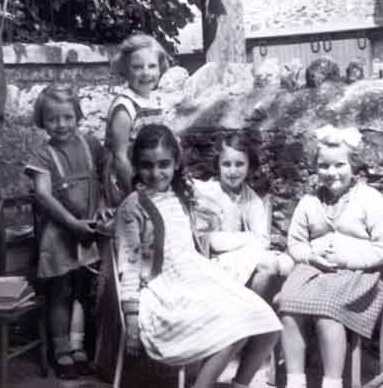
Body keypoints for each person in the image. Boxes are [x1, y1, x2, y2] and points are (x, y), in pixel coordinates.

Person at [111, 124, 282, 388]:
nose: (156, 173)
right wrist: (131, 321)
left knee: (267, 323)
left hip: (196, 278)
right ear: (136, 165)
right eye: (146, 165)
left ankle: (240, 383)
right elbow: (130, 267)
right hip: (162, 291)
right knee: (231, 328)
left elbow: (204, 217)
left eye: (164, 164)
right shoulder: (133, 207)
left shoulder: (181, 196)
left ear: (176, 163)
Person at [278, 125, 383, 388]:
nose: (331, 173)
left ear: (354, 166)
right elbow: (295, 243)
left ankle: (332, 382)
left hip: (360, 274)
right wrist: (310, 256)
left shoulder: (370, 199)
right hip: (315, 270)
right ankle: (296, 381)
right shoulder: (309, 202)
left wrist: (348, 259)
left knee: (327, 309)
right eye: (324, 166)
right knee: (287, 303)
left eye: (339, 165)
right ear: (316, 167)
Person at [25, 84, 109, 379]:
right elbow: (44, 195)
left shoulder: (90, 144)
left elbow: (101, 180)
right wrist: (72, 224)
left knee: (83, 289)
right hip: (60, 233)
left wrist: (99, 209)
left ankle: (78, 346)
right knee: (60, 291)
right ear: (42, 121)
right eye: (53, 119)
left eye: (68, 117)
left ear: (77, 116)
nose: (61, 125)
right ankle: (61, 350)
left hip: (88, 228)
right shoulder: (42, 153)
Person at [194, 132, 293, 301]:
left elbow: (262, 239)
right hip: (213, 258)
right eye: (226, 164)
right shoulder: (206, 193)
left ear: (249, 166)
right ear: (218, 165)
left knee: (285, 264)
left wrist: (250, 241)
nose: (233, 171)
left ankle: (258, 306)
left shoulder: (251, 199)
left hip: (242, 254)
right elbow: (208, 240)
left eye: (239, 164)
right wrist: (247, 238)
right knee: (267, 264)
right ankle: (251, 312)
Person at [103, 33, 169, 207]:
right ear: (125, 70)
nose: (146, 73)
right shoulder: (125, 108)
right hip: (127, 183)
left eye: (152, 66)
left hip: (152, 175)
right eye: (138, 67)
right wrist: (134, 194)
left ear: (160, 68)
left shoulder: (157, 100)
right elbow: (120, 158)